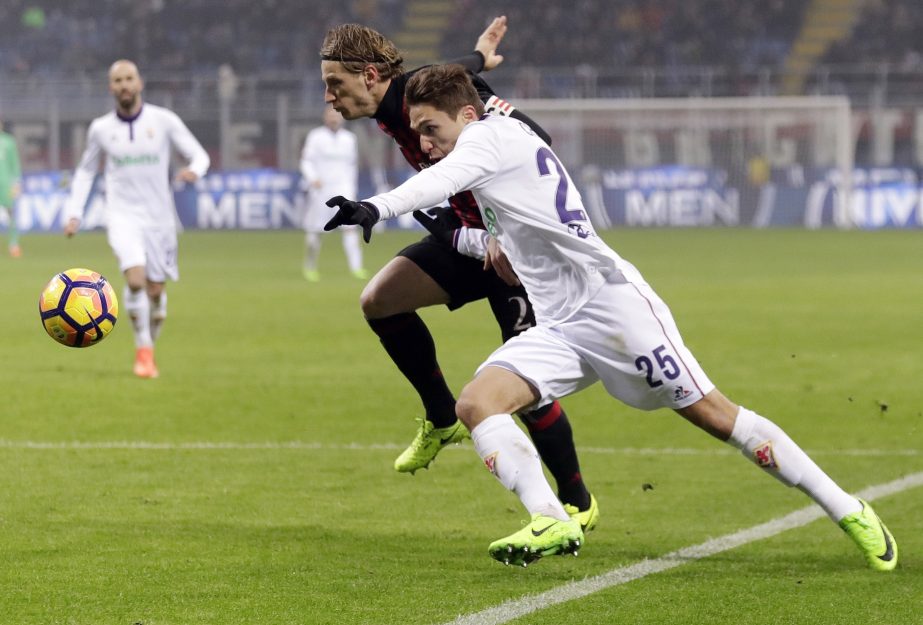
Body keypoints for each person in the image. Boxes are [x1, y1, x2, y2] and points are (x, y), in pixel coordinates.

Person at [324, 63, 899, 570]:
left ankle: (847, 507)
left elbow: (439, 179)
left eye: (432, 130)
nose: (424, 144)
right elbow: (490, 233)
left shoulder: (487, 141)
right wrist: (481, 246)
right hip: (557, 324)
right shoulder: (490, 154)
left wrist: (375, 205)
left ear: (467, 115)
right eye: (419, 131)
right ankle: (551, 517)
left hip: (614, 309)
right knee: (477, 404)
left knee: (717, 417)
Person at [320, 19, 599, 531]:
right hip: (467, 237)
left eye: (335, 84)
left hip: (513, 253)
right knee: (380, 300)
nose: (329, 97)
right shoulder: (402, 99)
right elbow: (457, 72)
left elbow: (533, 136)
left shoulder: (430, 98)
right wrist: (477, 55)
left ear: (371, 75)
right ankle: (443, 418)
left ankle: (577, 499)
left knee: (526, 386)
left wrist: (507, 231)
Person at [63, 59, 210, 379]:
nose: (124, 85)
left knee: (155, 290)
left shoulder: (164, 120)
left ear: (140, 83)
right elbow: (86, 171)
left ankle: (150, 338)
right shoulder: (101, 129)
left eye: (129, 79)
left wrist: (194, 171)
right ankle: (143, 351)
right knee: (134, 280)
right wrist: (75, 213)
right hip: (121, 215)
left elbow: (200, 154)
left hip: (160, 219)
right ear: (110, 87)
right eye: (118, 80)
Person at [299, 104, 366, 282]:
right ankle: (310, 266)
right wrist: (312, 178)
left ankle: (356, 267)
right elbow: (306, 162)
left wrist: (352, 188)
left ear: (342, 118)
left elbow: (352, 166)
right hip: (321, 190)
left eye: (337, 116)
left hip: (344, 190)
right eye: (331, 115)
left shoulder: (349, 139)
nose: (334, 119)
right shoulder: (316, 137)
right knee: (317, 230)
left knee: (350, 229)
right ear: (325, 117)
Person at [0, 118, 22, 258]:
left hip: (6, 184)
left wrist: (16, 183)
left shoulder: (9, 141)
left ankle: (14, 244)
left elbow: (15, 164)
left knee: (11, 214)